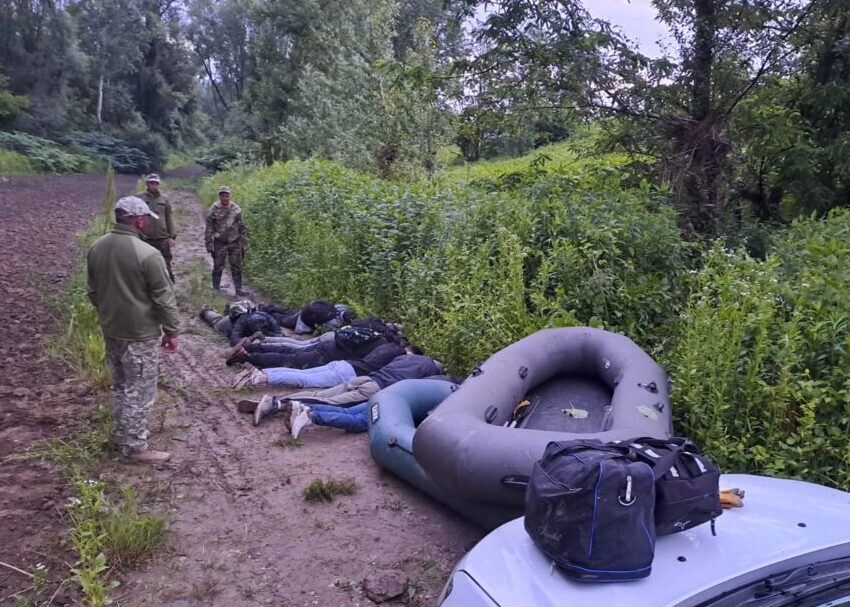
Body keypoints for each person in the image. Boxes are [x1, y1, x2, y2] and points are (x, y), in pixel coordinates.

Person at [86, 196, 179, 463]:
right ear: (139, 220)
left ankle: (121, 435)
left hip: (112, 329)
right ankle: (136, 448)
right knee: (140, 390)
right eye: (147, 219)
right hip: (140, 334)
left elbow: (93, 292)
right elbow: (164, 298)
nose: (148, 224)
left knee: (121, 385)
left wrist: (109, 313)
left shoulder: (96, 248)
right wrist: (172, 331)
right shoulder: (148, 254)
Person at [251, 352, 442, 428]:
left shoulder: (408, 358)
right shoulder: (431, 373)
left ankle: (277, 399)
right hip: (375, 389)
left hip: (365, 378)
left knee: (320, 394)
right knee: (328, 403)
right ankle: (280, 404)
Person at [231, 342, 418, 390]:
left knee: (300, 372)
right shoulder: (402, 359)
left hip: (344, 364)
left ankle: (262, 372)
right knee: (304, 380)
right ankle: (259, 378)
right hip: (349, 374)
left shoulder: (388, 346)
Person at [205, 185, 248, 295]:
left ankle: (238, 289)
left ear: (230, 196)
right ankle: (216, 289)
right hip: (220, 242)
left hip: (235, 241)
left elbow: (242, 226)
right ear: (220, 196)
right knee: (218, 266)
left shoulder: (236, 209)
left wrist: (244, 243)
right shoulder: (214, 209)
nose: (225, 198)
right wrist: (209, 244)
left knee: (236, 266)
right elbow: (209, 228)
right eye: (223, 195)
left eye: (227, 195)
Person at [138, 173, 177, 282]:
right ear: (147, 184)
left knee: (166, 262)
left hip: (162, 238)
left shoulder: (164, 200)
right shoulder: (140, 199)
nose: (153, 186)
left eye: (156, 183)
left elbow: (169, 218)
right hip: (145, 238)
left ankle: (169, 284)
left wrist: (171, 236)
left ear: (158, 185)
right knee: (145, 264)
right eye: (151, 183)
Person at [198, 300, 281, 346]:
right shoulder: (241, 324)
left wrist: (269, 337)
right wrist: (252, 338)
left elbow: (280, 334)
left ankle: (229, 309)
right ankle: (206, 311)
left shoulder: (267, 317)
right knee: (218, 322)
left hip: (239, 318)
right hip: (230, 324)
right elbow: (234, 341)